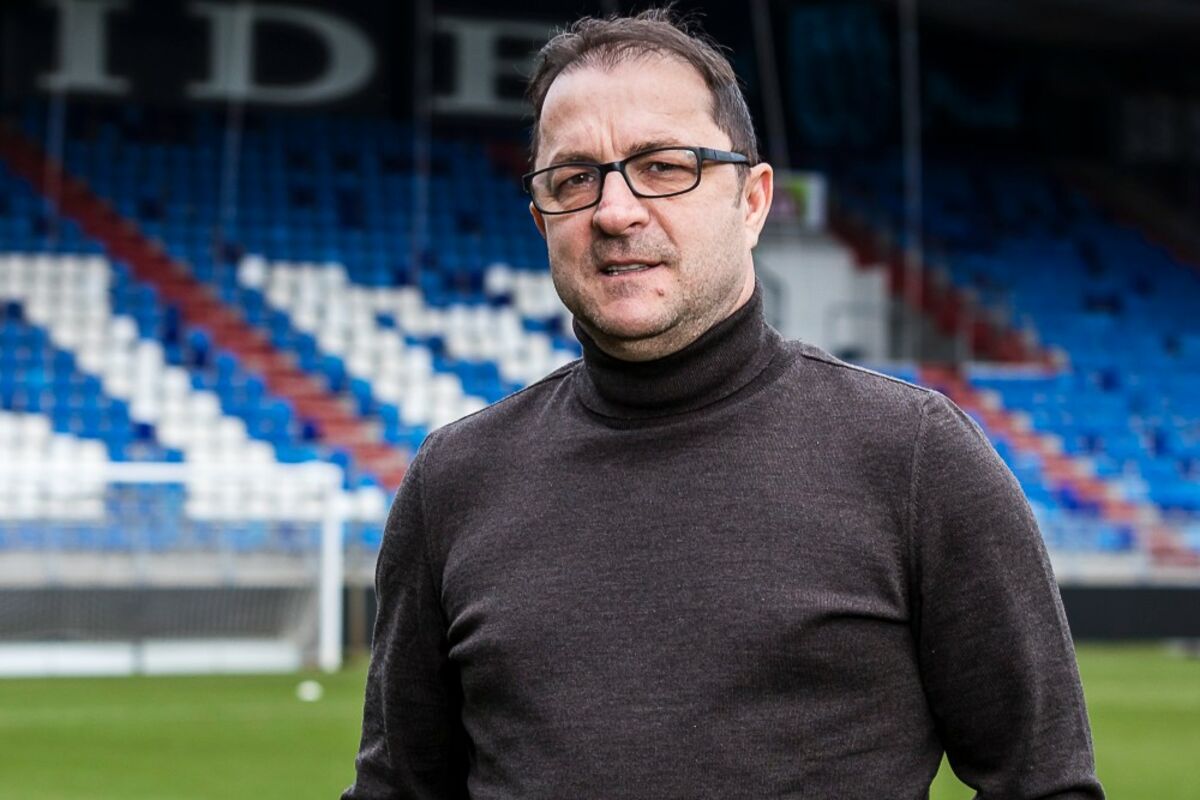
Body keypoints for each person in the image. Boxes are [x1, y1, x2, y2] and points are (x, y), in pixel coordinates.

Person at [344, 9, 1103, 799]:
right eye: (574, 179)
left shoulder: (914, 458)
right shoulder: (455, 481)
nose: (615, 211)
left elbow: (1045, 785)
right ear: (541, 221)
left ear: (753, 201)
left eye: (663, 166)